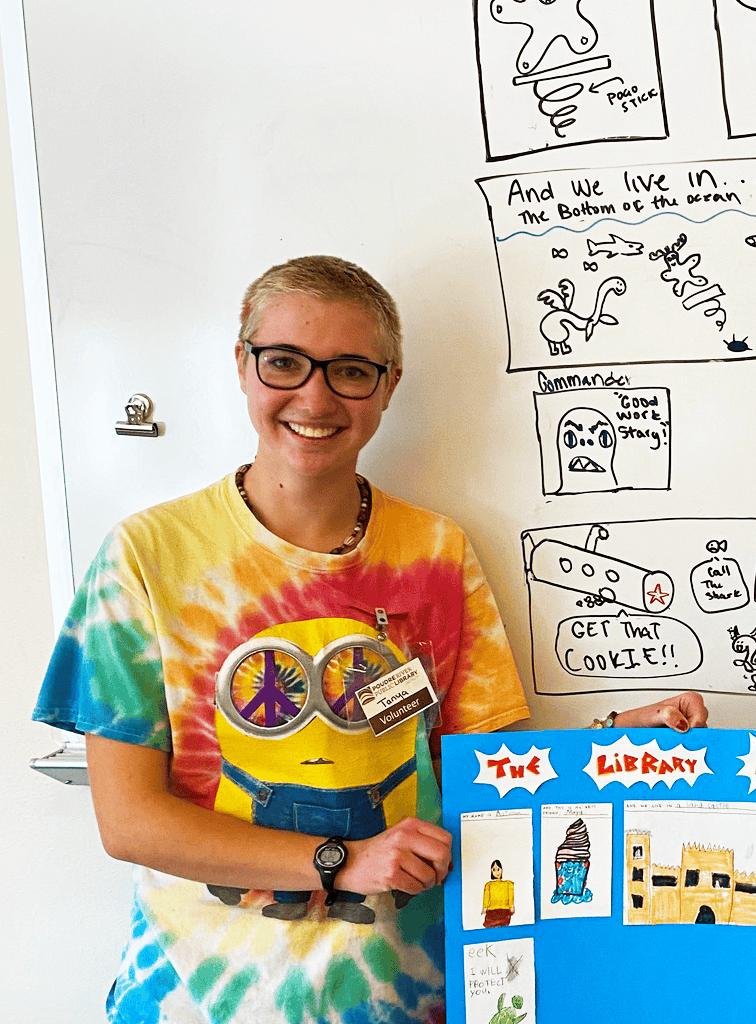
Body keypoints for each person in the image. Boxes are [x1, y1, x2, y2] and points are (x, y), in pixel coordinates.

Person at [32, 255, 708, 1024]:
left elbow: (480, 777)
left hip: (396, 995)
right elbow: (129, 823)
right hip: (202, 1000)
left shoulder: (436, 553)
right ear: (243, 366)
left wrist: (615, 742)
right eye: (284, 362)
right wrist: (342, 862)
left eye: (351, 370)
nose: (314, 396)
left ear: (388, 385)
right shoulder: (147, 555)